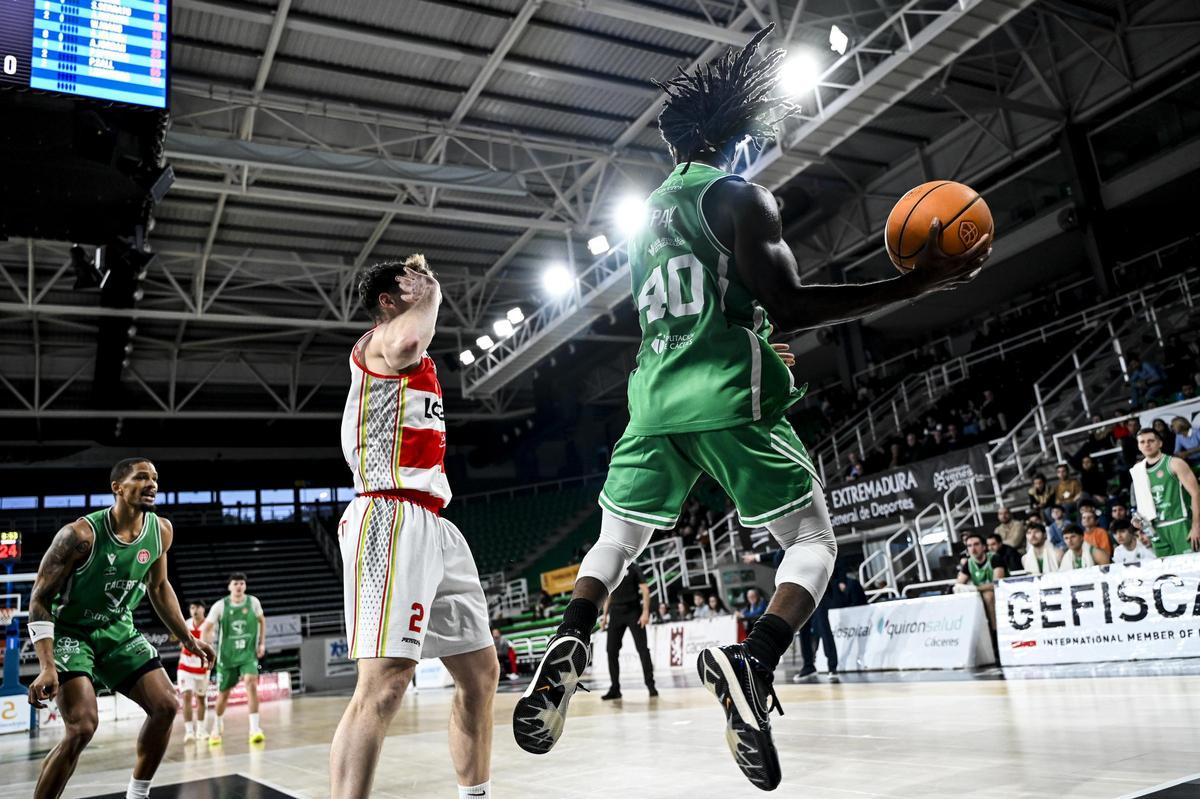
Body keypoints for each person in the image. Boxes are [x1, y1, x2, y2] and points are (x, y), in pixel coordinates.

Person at [511, 25, 990, 791]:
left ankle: (571, 634)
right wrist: (912, 284)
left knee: (618, 537)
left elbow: (707, 306)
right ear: (736, 136)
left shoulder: (642, 229)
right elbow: (789, 302)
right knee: (812, 538)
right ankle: (756, 656)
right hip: (725, 397)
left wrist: (758, 332)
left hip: (651, 397)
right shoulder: (739, 196)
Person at [330, 254, 497, 799]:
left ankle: (475, 794)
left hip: (434, 521)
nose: (425, 286)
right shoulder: (378, 342)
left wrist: (423, 289)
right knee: (385, 685)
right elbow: (407, 342)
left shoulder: (414, 354)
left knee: (480, 674)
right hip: (387, 516)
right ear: (387, 301)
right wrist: (434, 291)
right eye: (411, 284)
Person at [25, 458, 215, 799]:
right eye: (142, 477)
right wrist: (47, 665)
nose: (152, 484)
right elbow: (39, 600)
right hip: (72, 632)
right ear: (118, 488)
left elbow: (159, 588)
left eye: (155, 478)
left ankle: (137, 794)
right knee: (82, 728)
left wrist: (189, 639)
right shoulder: (78, 535)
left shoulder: (161, 531)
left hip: (118, 630)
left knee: (167, 706)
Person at [203, 573, 267, 745]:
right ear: (229, 586)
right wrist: (205, 647)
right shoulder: (220, 606)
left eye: (242, 583)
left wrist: (261, 644)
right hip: (227, 656)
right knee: (223, 695)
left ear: (245, 586)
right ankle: (217, 726)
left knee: (251, 683)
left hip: (248, 653)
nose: (239, 586)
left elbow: (262, 621)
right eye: (235, 583)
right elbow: (206, 627)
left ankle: (254, 729)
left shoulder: (253, 602)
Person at [1129, 427, 1200, 557]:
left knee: (1192, 571)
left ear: (1160, 443)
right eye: (1142, 442)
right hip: (1155, 530)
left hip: (1180, 523)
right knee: (1169, 574)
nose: (1147, 444)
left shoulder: (1175, 463)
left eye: (1151, 440)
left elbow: (1196, 493)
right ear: (1138, 446)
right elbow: (1143, 503)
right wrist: (1137, 518)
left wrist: (1196, 526)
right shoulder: (1137, 470)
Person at [600, 563, 657, 700]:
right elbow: (609, 594)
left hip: (634, 611)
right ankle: (615, 688)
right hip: (616, 613)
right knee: (611, 650)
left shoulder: (634, 568)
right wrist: (605, 616)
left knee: (643, 649)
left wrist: (645, 612)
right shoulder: (612, 568)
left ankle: (651, 686)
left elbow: (645, 590)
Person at [954, 533, 1006, 629]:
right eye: (969, 546)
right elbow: (958, 585)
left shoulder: (995, 558)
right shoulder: (968, 563)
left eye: (976, 544)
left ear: (984, 547)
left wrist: (974, 588)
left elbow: (997, 584)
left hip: (1003, 593)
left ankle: (995, 631)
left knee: (988, 596)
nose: (973, 548)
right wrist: (961, 588)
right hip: (980, 593)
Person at [177, 599, 211, 743]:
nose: (194, 610)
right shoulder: (186, 623)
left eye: (197, 607)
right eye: (192, 607)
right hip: (185, 667)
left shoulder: (209, 625)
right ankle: (189, 732)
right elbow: (180, 643)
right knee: (186, 696)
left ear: (203, 609)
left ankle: (201, 731)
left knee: (201, 699)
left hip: (202, 668)